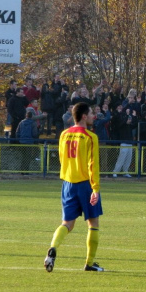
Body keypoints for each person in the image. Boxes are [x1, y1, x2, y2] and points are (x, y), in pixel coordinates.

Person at [44, 102, 104, 273]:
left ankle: (53, 248)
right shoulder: (90, 137)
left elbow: (62, 158)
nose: (93, 116)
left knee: (67, 223)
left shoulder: (64, 134)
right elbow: (93, 164)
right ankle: (89, 263)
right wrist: (95, 188)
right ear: (84, 116)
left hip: (68, 183)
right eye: (91, 113)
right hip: (85, 183)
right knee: (93, 223)